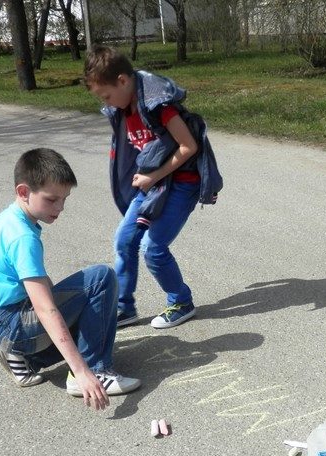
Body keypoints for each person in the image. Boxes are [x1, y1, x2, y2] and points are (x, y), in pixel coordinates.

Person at [0, 147, 141, 410]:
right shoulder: (22, 237)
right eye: (52, 199)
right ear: (23, 192)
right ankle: (94, 371)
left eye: (64, 199)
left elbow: (41, 287)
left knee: (87, 311)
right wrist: (81, 370)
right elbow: (45, 308)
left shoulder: (10, 220)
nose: (60, 207)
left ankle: (24, 360)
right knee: (101, 279)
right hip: (12, 323)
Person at [84, 45, 223, 329]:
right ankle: (124, 307)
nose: (107, 103)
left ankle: (181, 302)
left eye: (107, 96)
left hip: (182, 183)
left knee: (153, 248)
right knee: (124, 240)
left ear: (123, 81)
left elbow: (189, 146)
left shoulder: (160, 106)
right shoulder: (124, 109)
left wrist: (154, 175)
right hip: (154, 185)